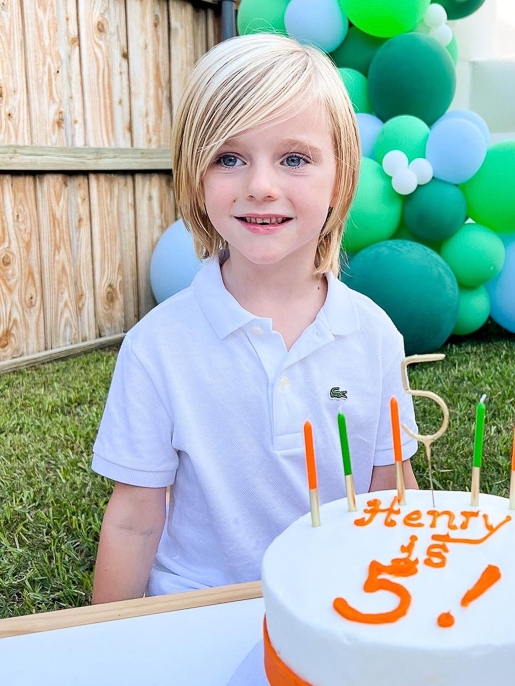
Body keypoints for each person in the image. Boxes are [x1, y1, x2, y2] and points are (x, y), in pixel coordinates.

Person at [91, 34, 418, 603]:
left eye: (294, 158)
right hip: (195, 605)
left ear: (340, 179)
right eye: (229, 157)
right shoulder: (155, 347)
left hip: (337, 603)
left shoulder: (374, 336)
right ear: (195, 175)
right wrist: (103, 645)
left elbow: (389, 489)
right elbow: (134, 520)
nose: (261, 186)